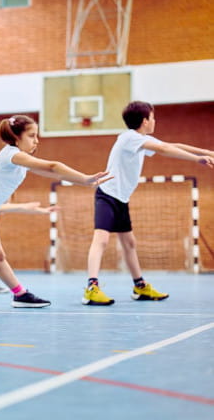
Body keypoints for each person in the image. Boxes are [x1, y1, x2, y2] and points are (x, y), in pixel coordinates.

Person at [0, 114, 110, 315]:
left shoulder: (22, 163)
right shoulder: (11, 154)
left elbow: (54, 173)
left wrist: (83, 183)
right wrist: (86, 178)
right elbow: (53, 166)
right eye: (32, 135)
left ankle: (20, 295)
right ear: (16, 137)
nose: (36, 141)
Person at [83, 101, 214, 305]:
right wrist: (196, 160)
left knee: (129, 243)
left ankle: (140, 286)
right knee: (101, 240)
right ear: (145, 121)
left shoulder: (139, 140)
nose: (154, 121)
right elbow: (163, 149)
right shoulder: (129, 138)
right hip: (107, 194)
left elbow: (172, 146)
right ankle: (92, 288)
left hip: (121, 198)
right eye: (153, 118)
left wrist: (204, 152)